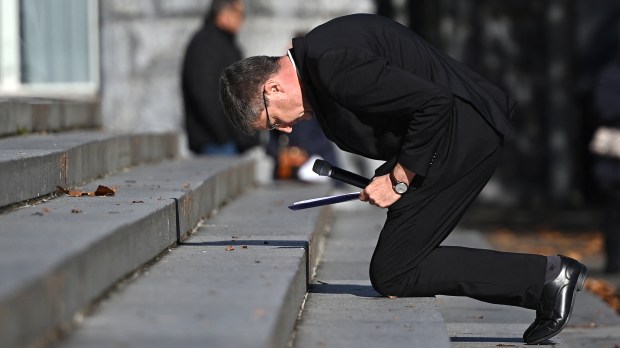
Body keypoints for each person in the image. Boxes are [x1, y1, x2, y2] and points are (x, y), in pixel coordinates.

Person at [218, 14, 587, 344]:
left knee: (394, 269)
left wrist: (398, 178)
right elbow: (400, 114)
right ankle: (545, 278)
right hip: (447, 139)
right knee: (397, 266)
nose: (283, 130)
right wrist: (388, 174)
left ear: (273, 89)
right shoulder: (321, 59)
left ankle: (547, 279)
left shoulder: (332, 64)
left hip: (463, 135)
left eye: (272, 122)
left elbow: (433, 103)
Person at [181, 0, 258, 155]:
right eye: (239, 13)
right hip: (217, 142)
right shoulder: (206, 44)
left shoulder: (225, 43)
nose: (242, 19)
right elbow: (203, 94)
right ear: (224, 14)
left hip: (229, 140)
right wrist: (224, 134)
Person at [592, 53, 620, 274]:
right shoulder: (611, 74)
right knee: (614, 213)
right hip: (614, 162)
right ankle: (615, 261)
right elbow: (606, 108)